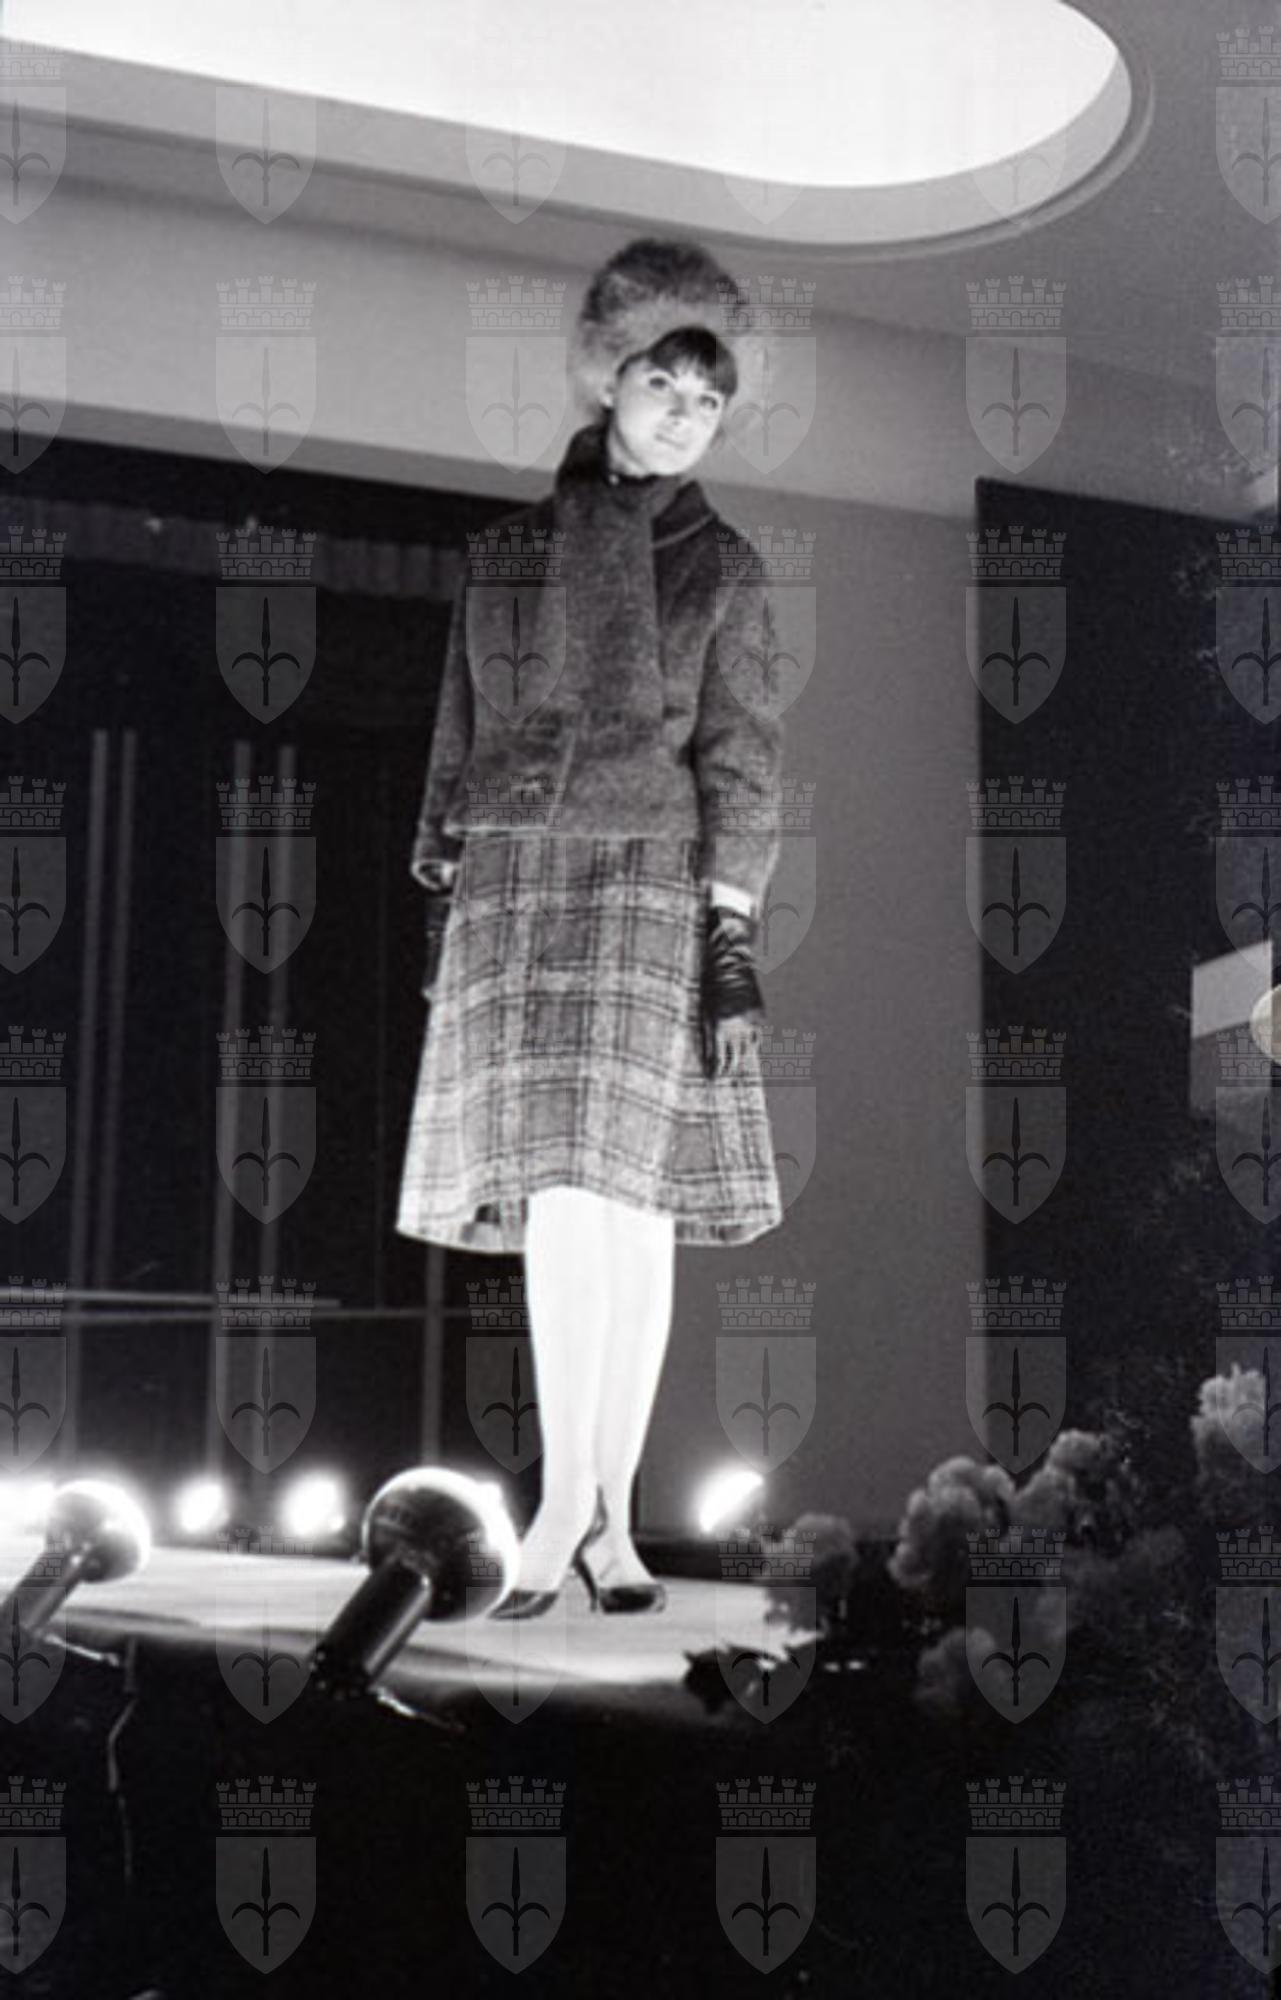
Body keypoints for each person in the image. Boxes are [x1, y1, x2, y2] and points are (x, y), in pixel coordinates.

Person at [397, 237, 785, 1616]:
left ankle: (588, 1509)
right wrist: (444, 884)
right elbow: (460, 729)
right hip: (511, 878)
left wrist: (728, 941)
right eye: (663, 383)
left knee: (630, 1212)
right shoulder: (503, 555)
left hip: (648, 883)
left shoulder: (723, 567)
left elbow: (744, 759)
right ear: (609, 379)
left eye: (708, 399)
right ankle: (590, 1518)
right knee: (567, 1203)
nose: (683, 415)